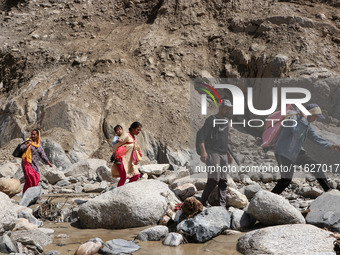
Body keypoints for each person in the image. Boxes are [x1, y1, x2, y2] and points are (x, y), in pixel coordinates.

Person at [272, 104, 340, 194]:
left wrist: (330, 145)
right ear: (309, 114)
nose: (315, 119)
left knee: (316, 166)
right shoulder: (293, 118)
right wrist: (304, 119)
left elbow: (314, 137)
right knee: (286, 180)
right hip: (284, 153)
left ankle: (328, 191)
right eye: (315, 116)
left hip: (297, 152)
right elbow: (296, 133)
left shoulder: (306, 122)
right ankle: (267, 197)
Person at [198, 99, 234, 207]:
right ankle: (202, 201)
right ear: (220, 108)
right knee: (214, 178)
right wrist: (203, 152)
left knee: (223, 180)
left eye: (229, 109)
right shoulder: (211, 120)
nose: (228, 111)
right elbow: (201, 135)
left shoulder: (226, 122)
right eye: (226, 108)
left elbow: (224, 141)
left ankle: (221, 206)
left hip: (223, 153)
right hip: (212, 152)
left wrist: (229, 154)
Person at [20, 129, 53, 194]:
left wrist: (48, 163)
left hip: (35, 164)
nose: (32, 136)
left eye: (34, 134)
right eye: (32, 134)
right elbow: (21, 148)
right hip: (27, 163)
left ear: (38, 135)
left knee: (37, 178)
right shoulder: (28, 141)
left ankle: (35, 195)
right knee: (30, 178)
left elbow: (42, 155)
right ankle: (27, 195)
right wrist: (28, 144)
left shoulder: (38, 145)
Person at [111, 122, 143, 187]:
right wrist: (115, 155)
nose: (139, 131)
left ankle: (127, 188)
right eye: (137, 129)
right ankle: (119, 192)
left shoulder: (133, 137)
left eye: (140, 130)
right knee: (123, 177)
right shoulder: (126, 135)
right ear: (132, 129)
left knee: (136, 175)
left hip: (129, 161)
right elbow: (115, 146)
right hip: (121, 160)